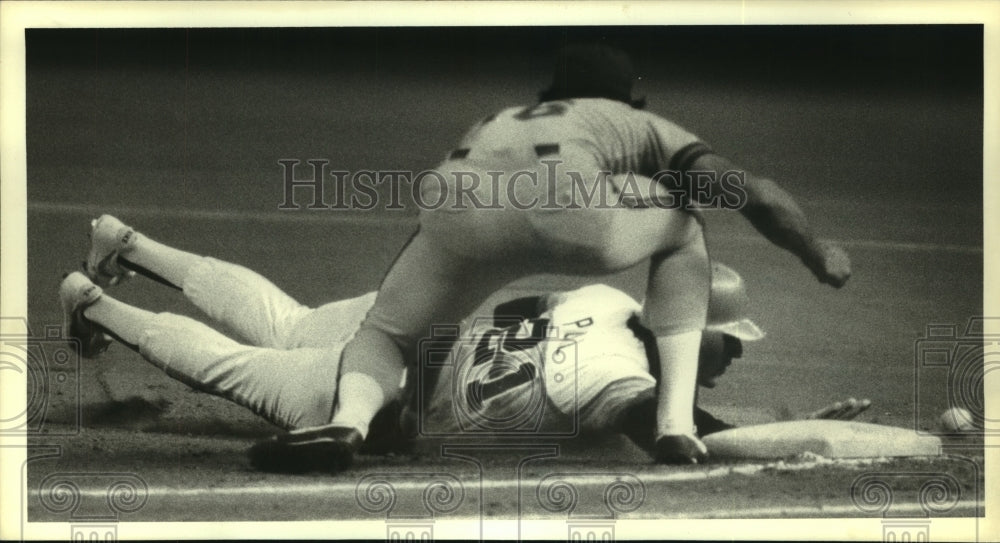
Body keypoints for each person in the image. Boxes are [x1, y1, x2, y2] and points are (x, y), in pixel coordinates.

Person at [279, 41, 851, 469]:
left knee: (382, 331)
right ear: (631, 96)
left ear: (550, 96)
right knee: (685, 223)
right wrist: (816, 250)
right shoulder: (635, 121)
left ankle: (349, 424)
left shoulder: (493, 121)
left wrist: (412, 412)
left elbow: (430, 306)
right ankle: (676, 426)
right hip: (574, 212)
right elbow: (751, 192)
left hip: (455, 213)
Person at [62, 216, 863, 472]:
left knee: (287, 317)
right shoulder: (625, 381)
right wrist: (796, 439)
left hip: (406, 322)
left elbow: (514, 305)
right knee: (236, 367)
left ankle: (127, 242)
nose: (738, 354)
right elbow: (676, 433)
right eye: (727, 339)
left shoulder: (602, 299)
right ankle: (95, 302)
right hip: (379, 391)